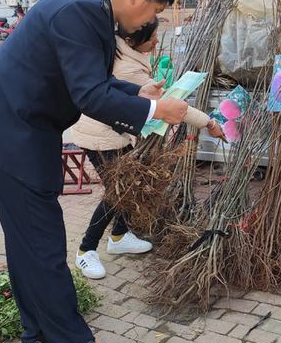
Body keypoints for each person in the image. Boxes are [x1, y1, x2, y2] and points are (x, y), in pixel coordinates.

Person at [0, 0, 189, 343]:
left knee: (26, 243)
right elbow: (90, 95)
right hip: (12, 134)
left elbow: (89, 80)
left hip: (13, 129)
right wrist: (156, 109)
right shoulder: (83, 10)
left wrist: (137, 96)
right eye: (154, 11)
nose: (148, 22)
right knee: (42, 242)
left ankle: (37, 341)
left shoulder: (87, 0)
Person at [70, 20, 226, 279]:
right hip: (100, 136)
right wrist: (208, 122)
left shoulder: (124, 52)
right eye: (152, 37)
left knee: (128, 186)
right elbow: (171, 105)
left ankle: (119, 236)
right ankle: (86, 250)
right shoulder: (128, 67)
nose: (156, 41)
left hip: (113, 132)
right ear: (131, 40)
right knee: (118, 192)